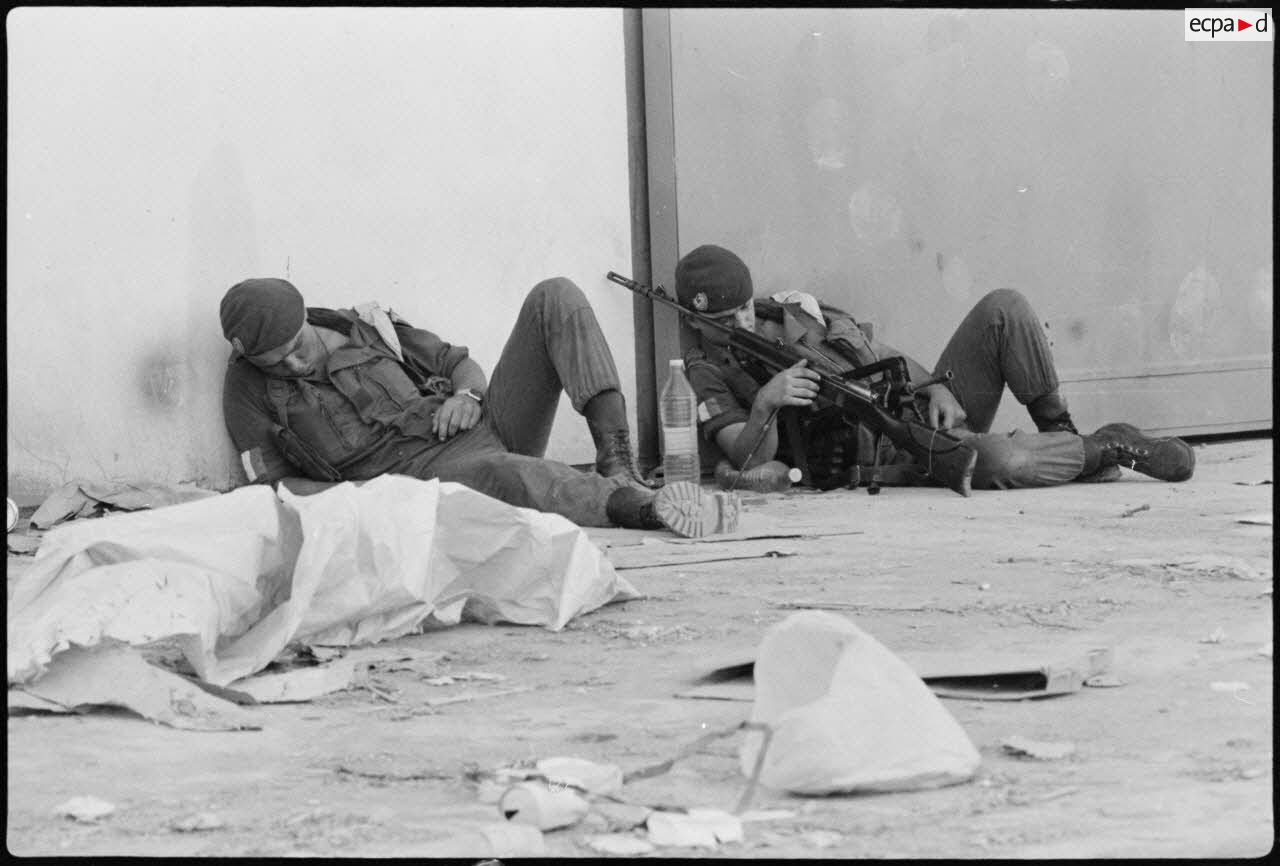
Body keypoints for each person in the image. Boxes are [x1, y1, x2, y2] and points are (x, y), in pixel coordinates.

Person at [219, 275, 735, 537]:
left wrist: (467, 395)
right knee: (512, 473)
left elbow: (457, 362)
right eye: (274, 362)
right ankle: (645, 510)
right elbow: (272, 484)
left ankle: (618, 462)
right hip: (416, 477)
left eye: (295, 347)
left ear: (304, 319)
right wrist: (358, 497)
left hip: (486, 422)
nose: (290, 364)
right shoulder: (247, 389)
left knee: (554, 296)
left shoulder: (365, 325)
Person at [673, 244, 1196, 491]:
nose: (736, 322)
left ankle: (1059, 433)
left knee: (1003, 307)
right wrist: (768, 398)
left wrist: (934, 387)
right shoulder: (704, 372)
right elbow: (742, 458)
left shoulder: (790, 312)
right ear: (696, 324)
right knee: (995, 463)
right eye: (720, 320)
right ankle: (1107, 447)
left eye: (740, 308)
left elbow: (877, 355)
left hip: (922, 409)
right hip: (896, 451)